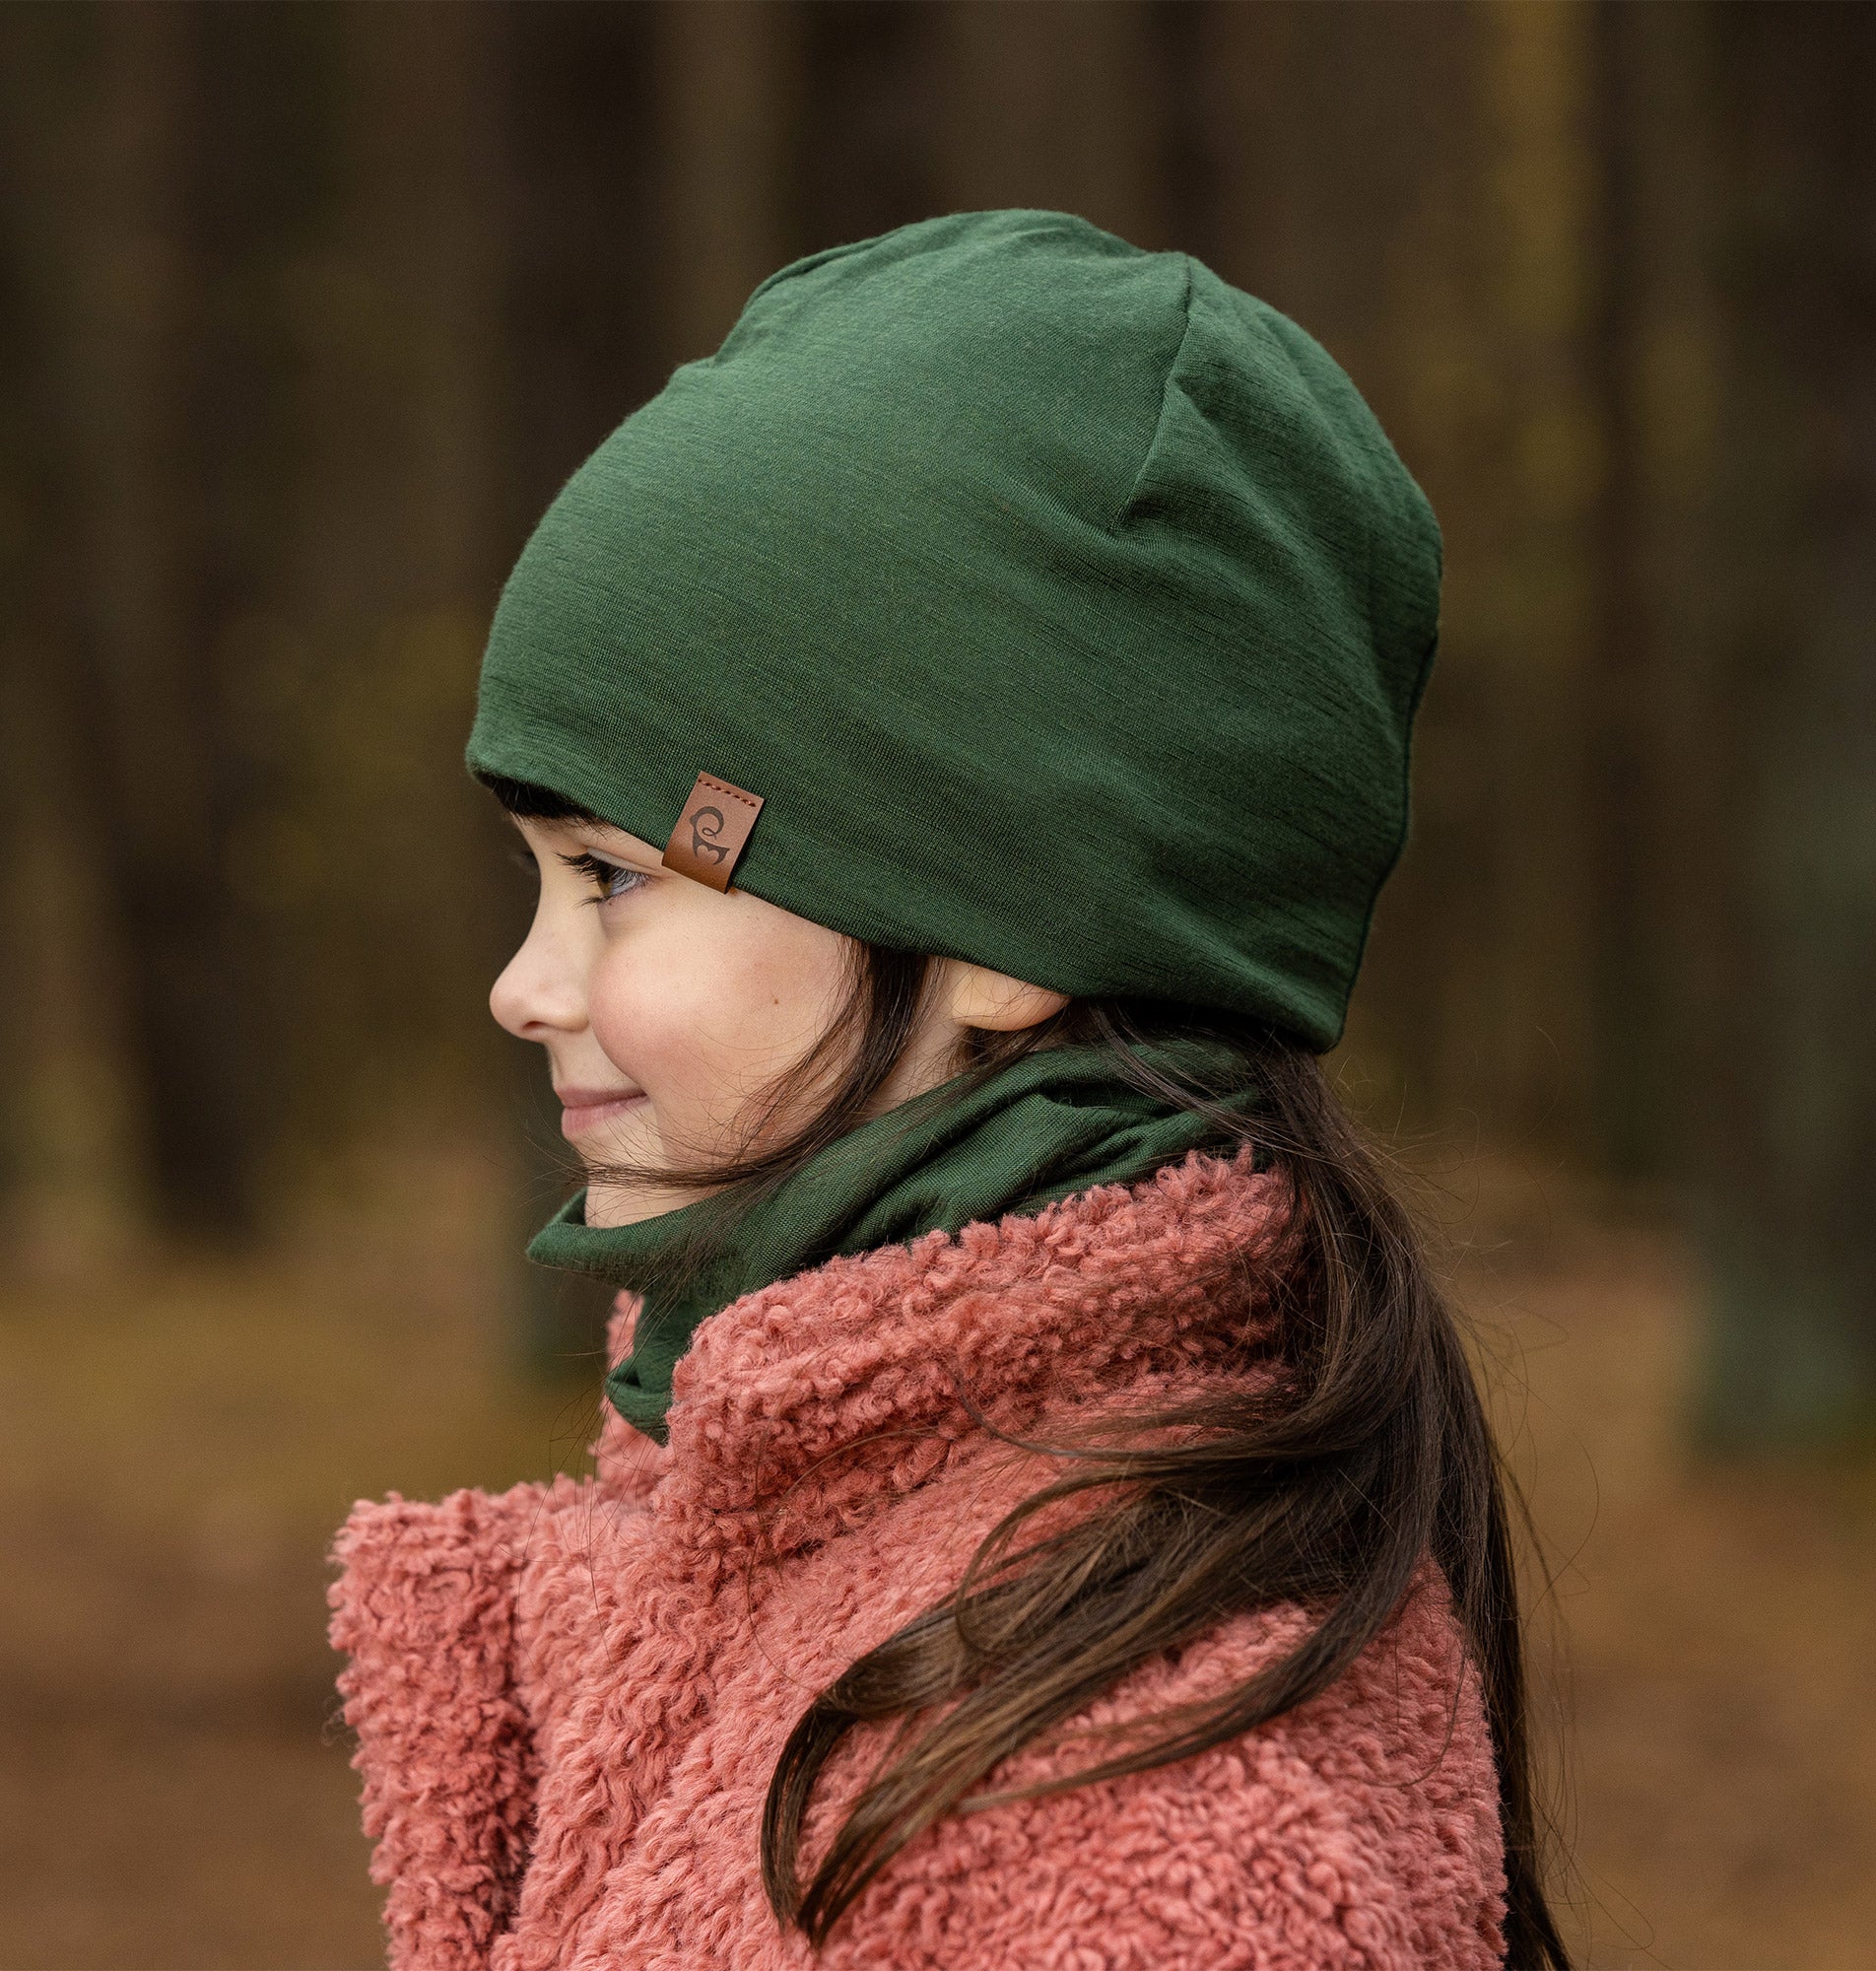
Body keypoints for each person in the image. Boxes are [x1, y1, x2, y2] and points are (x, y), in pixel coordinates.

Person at [328, 209, 1566, 1970]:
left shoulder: (1123, 1832)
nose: (522, 988)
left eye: (611, 876)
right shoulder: (819, 1519)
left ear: (1000, 934)